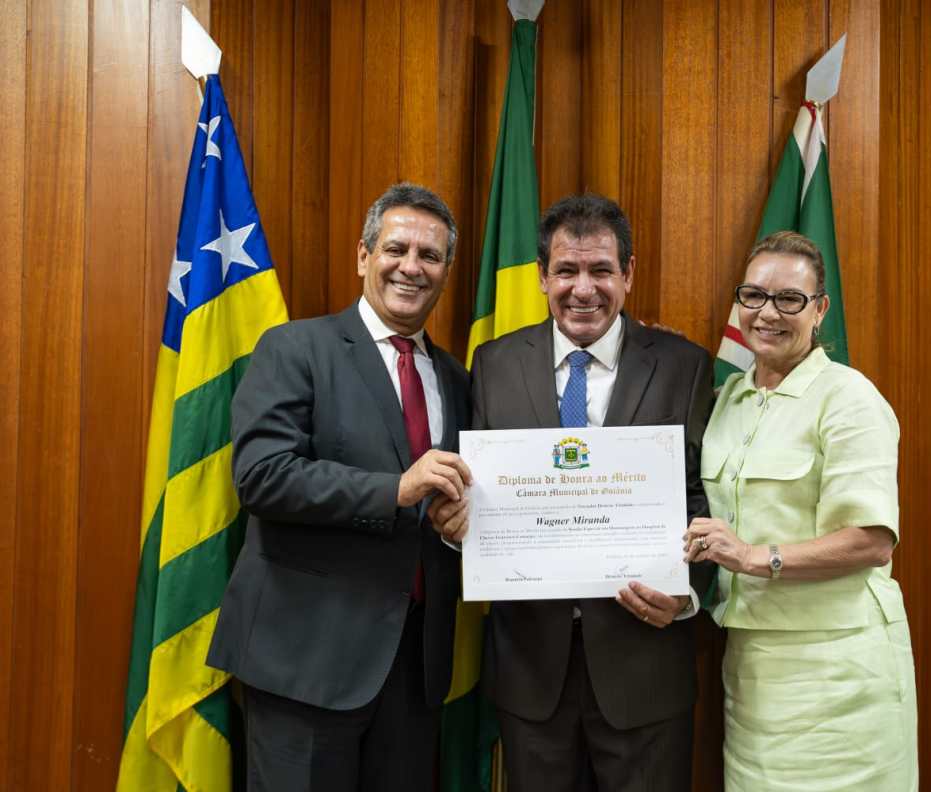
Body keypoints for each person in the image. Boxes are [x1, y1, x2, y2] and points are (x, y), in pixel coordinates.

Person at [433, 193, 715, 792]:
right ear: (541, 276)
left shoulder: (685, 365)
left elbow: (703, 500)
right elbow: (481, 499)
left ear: (629, 274)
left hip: (647, 668)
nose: (583, 289)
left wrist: (687, 594)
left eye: (601, 270)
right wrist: (459, 531)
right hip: (531, 673)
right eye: (566, 270)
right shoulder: (493, 364)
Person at [206, 183, 473, 791]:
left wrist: (455, 530)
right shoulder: (296, 348)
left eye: (430, 256)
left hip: (413, 668)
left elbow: (454, 502)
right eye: (395, 248)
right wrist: (395, 489)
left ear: (446, 271)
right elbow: (261, 477)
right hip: (306, 663)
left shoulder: (456, 378)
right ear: (362, 255)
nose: (412, 266)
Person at [684, 230, 918, 791]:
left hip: (840, 675)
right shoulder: (730, 401)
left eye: (790, 299)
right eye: (754, 296)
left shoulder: (849, 398)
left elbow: (871, 540)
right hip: (752, 674)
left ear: (820, 310)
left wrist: (751, 556)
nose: (768, 313)